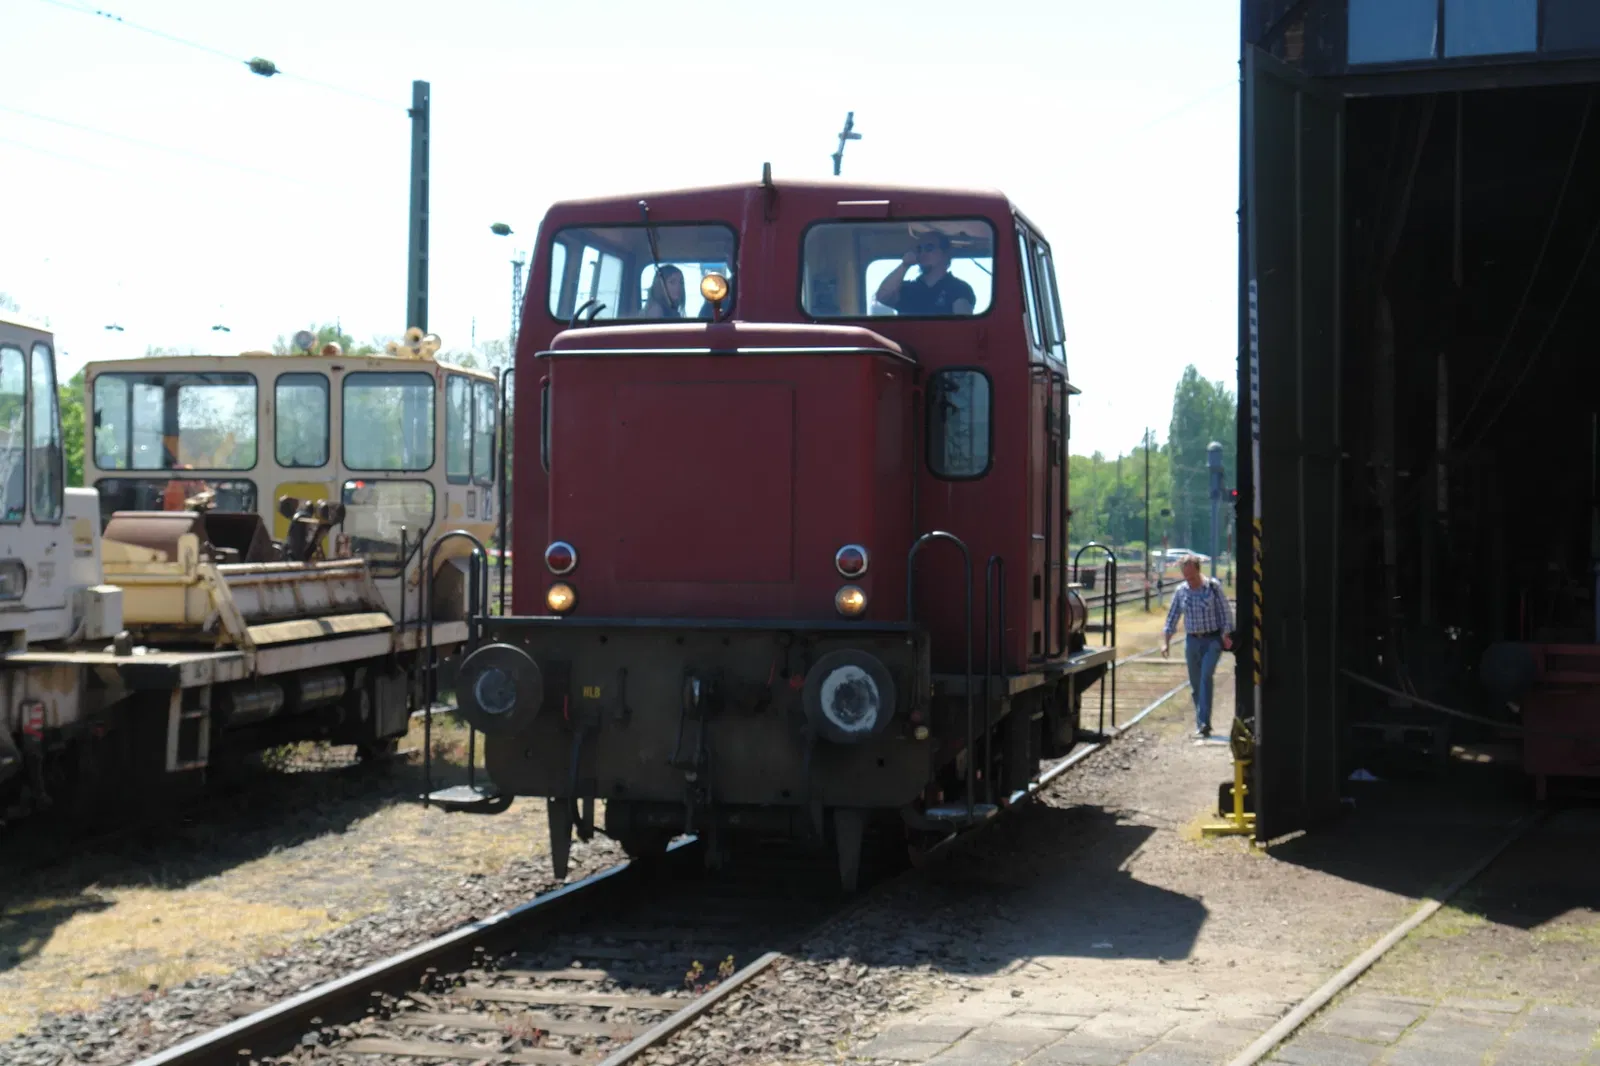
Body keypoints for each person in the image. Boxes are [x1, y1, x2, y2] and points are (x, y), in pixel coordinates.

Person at [1161, 554, 1234, 739]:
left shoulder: (1213, 587)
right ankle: (1203, 722)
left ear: (1198, 572)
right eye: (1187, 577)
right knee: (1195, 684)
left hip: (1212, 640)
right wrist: (1166, 643)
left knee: (1205, 676)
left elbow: (1226, 613)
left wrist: (1226, 634)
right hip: (1192, 641)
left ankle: (1202, 724)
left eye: (1192, 577)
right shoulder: (1181, 591)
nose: (1190, 581)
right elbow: (1172, 618)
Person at [874, 233, 976, 316]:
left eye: (929, 248)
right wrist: (904, 265)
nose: (922, 253)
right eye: (919, 249)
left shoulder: (959, 289)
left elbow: (963, 324)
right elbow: (882, 297)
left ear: (945, 253)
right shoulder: (907, 289)